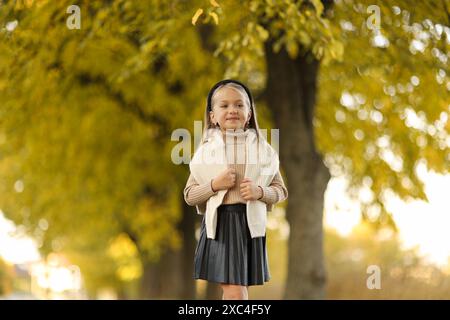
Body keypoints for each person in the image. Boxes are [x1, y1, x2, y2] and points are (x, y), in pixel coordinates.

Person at [184, 79, 288, 300]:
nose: (232, 110)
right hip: (222, 224)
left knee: (238, 292)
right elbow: (189, 195)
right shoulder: (206, 153)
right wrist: (214, 185)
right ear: (212, 116)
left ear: (249, 114)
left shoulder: (263, 150)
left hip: (250, 224)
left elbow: (280, 190)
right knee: (236, 293)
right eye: (224, 106)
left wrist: (261, 192)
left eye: (239, 105)